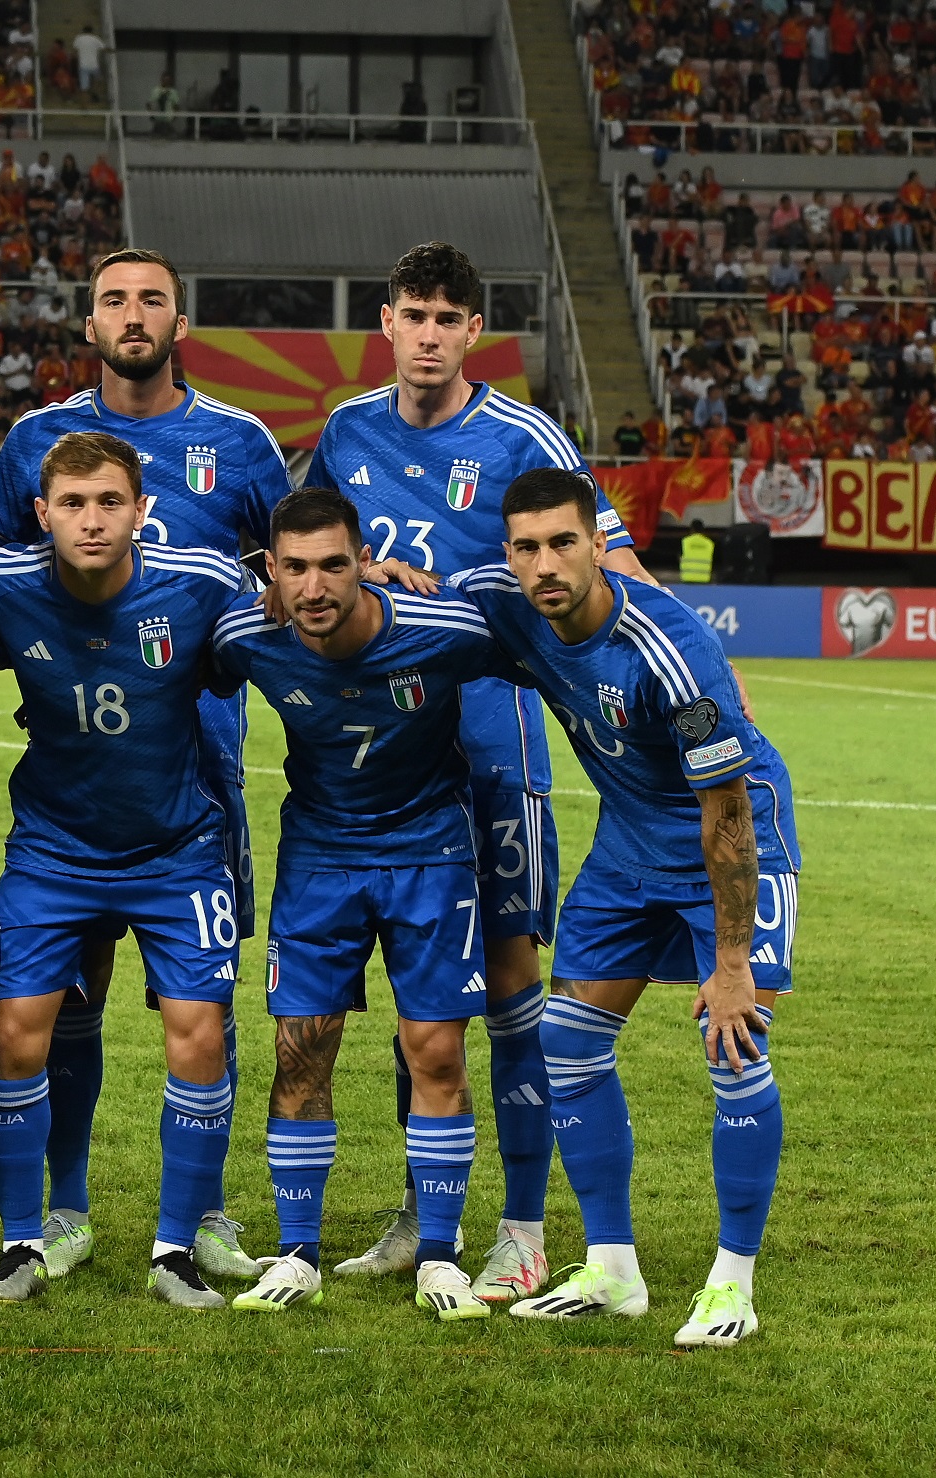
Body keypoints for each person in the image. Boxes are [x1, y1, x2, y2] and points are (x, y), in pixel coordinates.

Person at [307, 239, 655, 1303]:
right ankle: (426, 1213)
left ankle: (522, 1226)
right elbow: (309, 547)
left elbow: (619, 562)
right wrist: (367, 568)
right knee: (423, 999)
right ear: (387, 320)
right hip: (383, 752)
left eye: (447, 318)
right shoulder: (344, 429)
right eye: (411, 313)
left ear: (472, 332)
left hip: (495, 744)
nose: (426, 334)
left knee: (509, 992)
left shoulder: (523, 435)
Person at [0, 246, 285, 1285]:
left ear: (178, 316)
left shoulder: (238, 444)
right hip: (65, 802)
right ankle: (56, 1209)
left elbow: (294, 576)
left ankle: (201, 1217)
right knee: (61, 1003)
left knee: (201, 1006)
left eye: (154, 295)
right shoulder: (33, 450)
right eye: (114, 297)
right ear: (89, 317)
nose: (134, 313)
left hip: (195, 778)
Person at [453, 467, 798, 1349]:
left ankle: (733, 1284)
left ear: (598, 546)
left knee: (733, 1038)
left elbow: (726, 811)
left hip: (732, 833)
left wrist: (729, 968)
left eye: (564, 542)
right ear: (509, 554)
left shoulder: (669, 650)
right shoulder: (507, 602)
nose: (545, 564)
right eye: (526, 547)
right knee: (567, 1043)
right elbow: (423, 606)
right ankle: (613, 1268)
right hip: (629, 839)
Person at [212, 487, 517, 1321]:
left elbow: (553, 648)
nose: (315, 588)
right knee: (300, 1055)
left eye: (334, 565)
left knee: (437, 1054)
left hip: (433, 857)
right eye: (296, 568)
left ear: (364, 562)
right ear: (270, 570)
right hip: (318, 860)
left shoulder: (443, 629)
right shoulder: (247, 635)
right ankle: (298, 1252)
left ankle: (442, 1255)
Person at [73, 24, 104, 97]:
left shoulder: (79, 38)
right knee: (99, 80)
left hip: (83, 65)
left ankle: (84, 106)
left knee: (84, 88)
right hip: (94, 65)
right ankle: (94, 91)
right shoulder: (96, 38)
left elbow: (75, 50)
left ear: (83, 31)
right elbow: (103, 48)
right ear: (92, 31)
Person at [680, 519, 715, 584]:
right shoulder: (709, 543)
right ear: (703, 530)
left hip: (687, 579)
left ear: (692, 529)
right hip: (704, 580)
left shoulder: (685, 541)